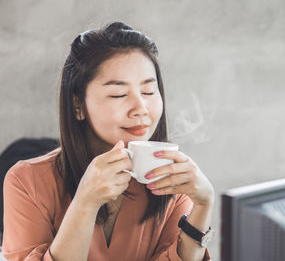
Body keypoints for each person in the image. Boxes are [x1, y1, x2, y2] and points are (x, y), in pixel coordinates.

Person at [2, 22, 214, 261]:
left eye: (148, 92)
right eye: (118, 94)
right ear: (78, 106)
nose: (141, 109)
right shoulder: (25, 183)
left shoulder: (171, 185)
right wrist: (85, 202)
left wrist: (203, 205)